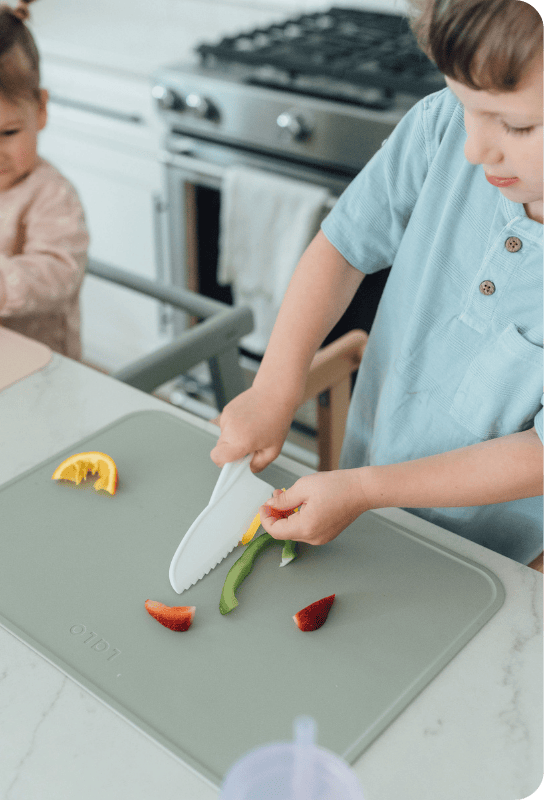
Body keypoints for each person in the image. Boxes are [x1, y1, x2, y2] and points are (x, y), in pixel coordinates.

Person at [211, 0, 544, 565]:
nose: (475, 149)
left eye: (516, 125)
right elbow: (342, 248)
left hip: (506, 558)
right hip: (370, 501)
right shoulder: (440, 128)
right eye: (467, 105)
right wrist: (275, 386)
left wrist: (368, 489)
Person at [0, 0, 88, 360]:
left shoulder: (51, 195)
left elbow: (58, 275)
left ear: (40, 110)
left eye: (8, 132)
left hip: (38, 368)